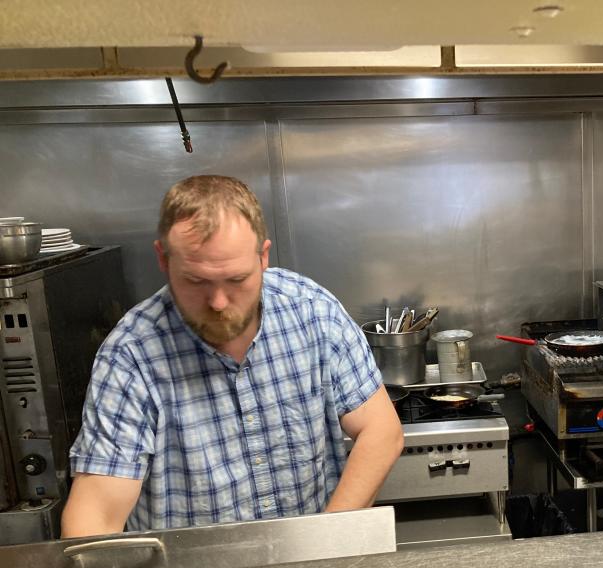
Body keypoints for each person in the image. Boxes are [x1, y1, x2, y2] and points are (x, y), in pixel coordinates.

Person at [61, 175, 403, 536]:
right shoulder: (132, 355)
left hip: (312, 563)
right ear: (163, 258)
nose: (219, 304)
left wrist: (330, 539)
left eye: (237, 280)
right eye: (196, 281)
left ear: (263, 256)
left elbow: (380, 431)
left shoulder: (311, 311)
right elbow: (96, 513)